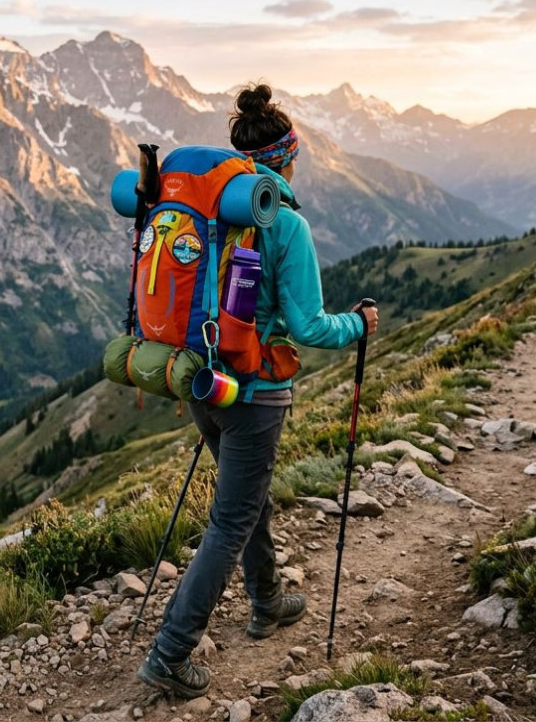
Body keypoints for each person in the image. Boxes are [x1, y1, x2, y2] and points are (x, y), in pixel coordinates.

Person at [138, 84, 381, 698]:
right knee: (231, 519)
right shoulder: (287, 225)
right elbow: (307, 326)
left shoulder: (216, 216)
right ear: (288, 159)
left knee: (249, 499)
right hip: (258, 392)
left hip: (204, 382)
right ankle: (170, 655)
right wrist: (359, 325)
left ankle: (267, 601)